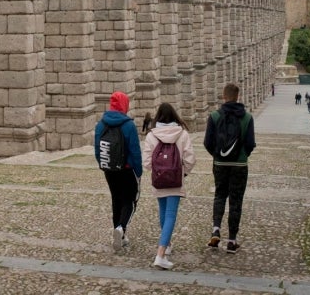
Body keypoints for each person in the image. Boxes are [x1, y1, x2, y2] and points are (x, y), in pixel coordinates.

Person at [203, 83, 255, 254]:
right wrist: (241, 155)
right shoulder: (247, 118)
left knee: (219, 195)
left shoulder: (215, 116)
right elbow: (250, 144)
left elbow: (207, 143)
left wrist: (218, 155)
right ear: (238, 96)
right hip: (239, 165)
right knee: (236, 201)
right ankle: (232, 240)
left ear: (223, 96)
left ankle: (216, 229)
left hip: (220, 164)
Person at [143, 102, 196, 270]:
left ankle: (167, 244)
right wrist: (183, 173)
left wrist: (157, 171)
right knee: (171, 215)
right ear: (174, 116)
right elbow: (190, 159)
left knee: (163, 212)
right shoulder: (182, 134)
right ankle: (160, 254)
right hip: (175, 180)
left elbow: (146, 162)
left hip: (159, 181)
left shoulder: (151, 135)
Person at [94, 91, 143, 253]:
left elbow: (97, 149)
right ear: (124, 105)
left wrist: (103, 164)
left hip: (109, 169)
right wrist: (139, 170)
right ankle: (121, 228)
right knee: (129, 200)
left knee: (116, 199)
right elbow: (135, 151)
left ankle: (118, 231)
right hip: (127, 170)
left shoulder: (101, 124)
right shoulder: (128, 125)